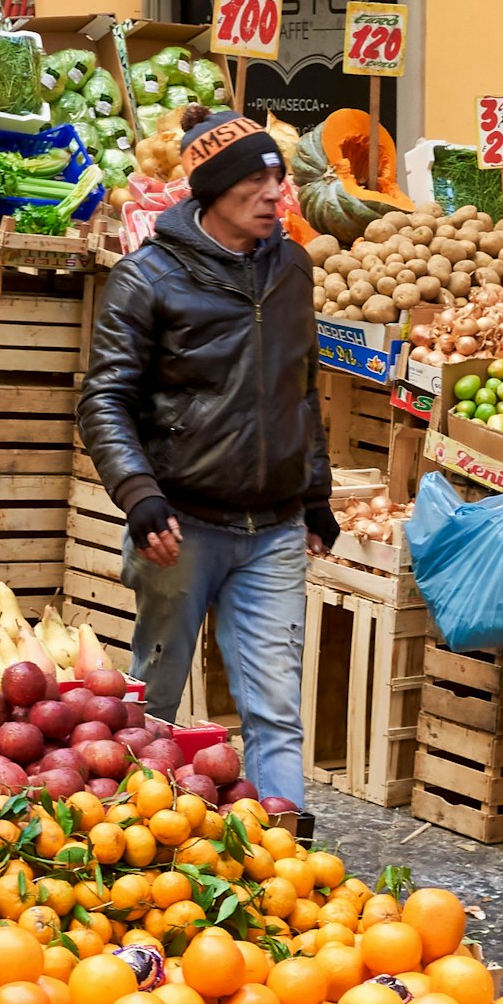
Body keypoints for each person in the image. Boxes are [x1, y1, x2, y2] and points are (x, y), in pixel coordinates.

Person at [76, 111, 324, 809]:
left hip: (272, 528)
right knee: (151, 704)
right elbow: (104, 400)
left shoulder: (293, 269)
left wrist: (316, 492)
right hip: (179, 527)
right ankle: (132, 832)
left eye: (278, 176)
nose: (276, 192)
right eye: (255, 178)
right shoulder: (146, 278)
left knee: (275, 708)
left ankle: (290, 849)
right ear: (212, 191)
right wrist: (138, 493)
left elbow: (301, 388)